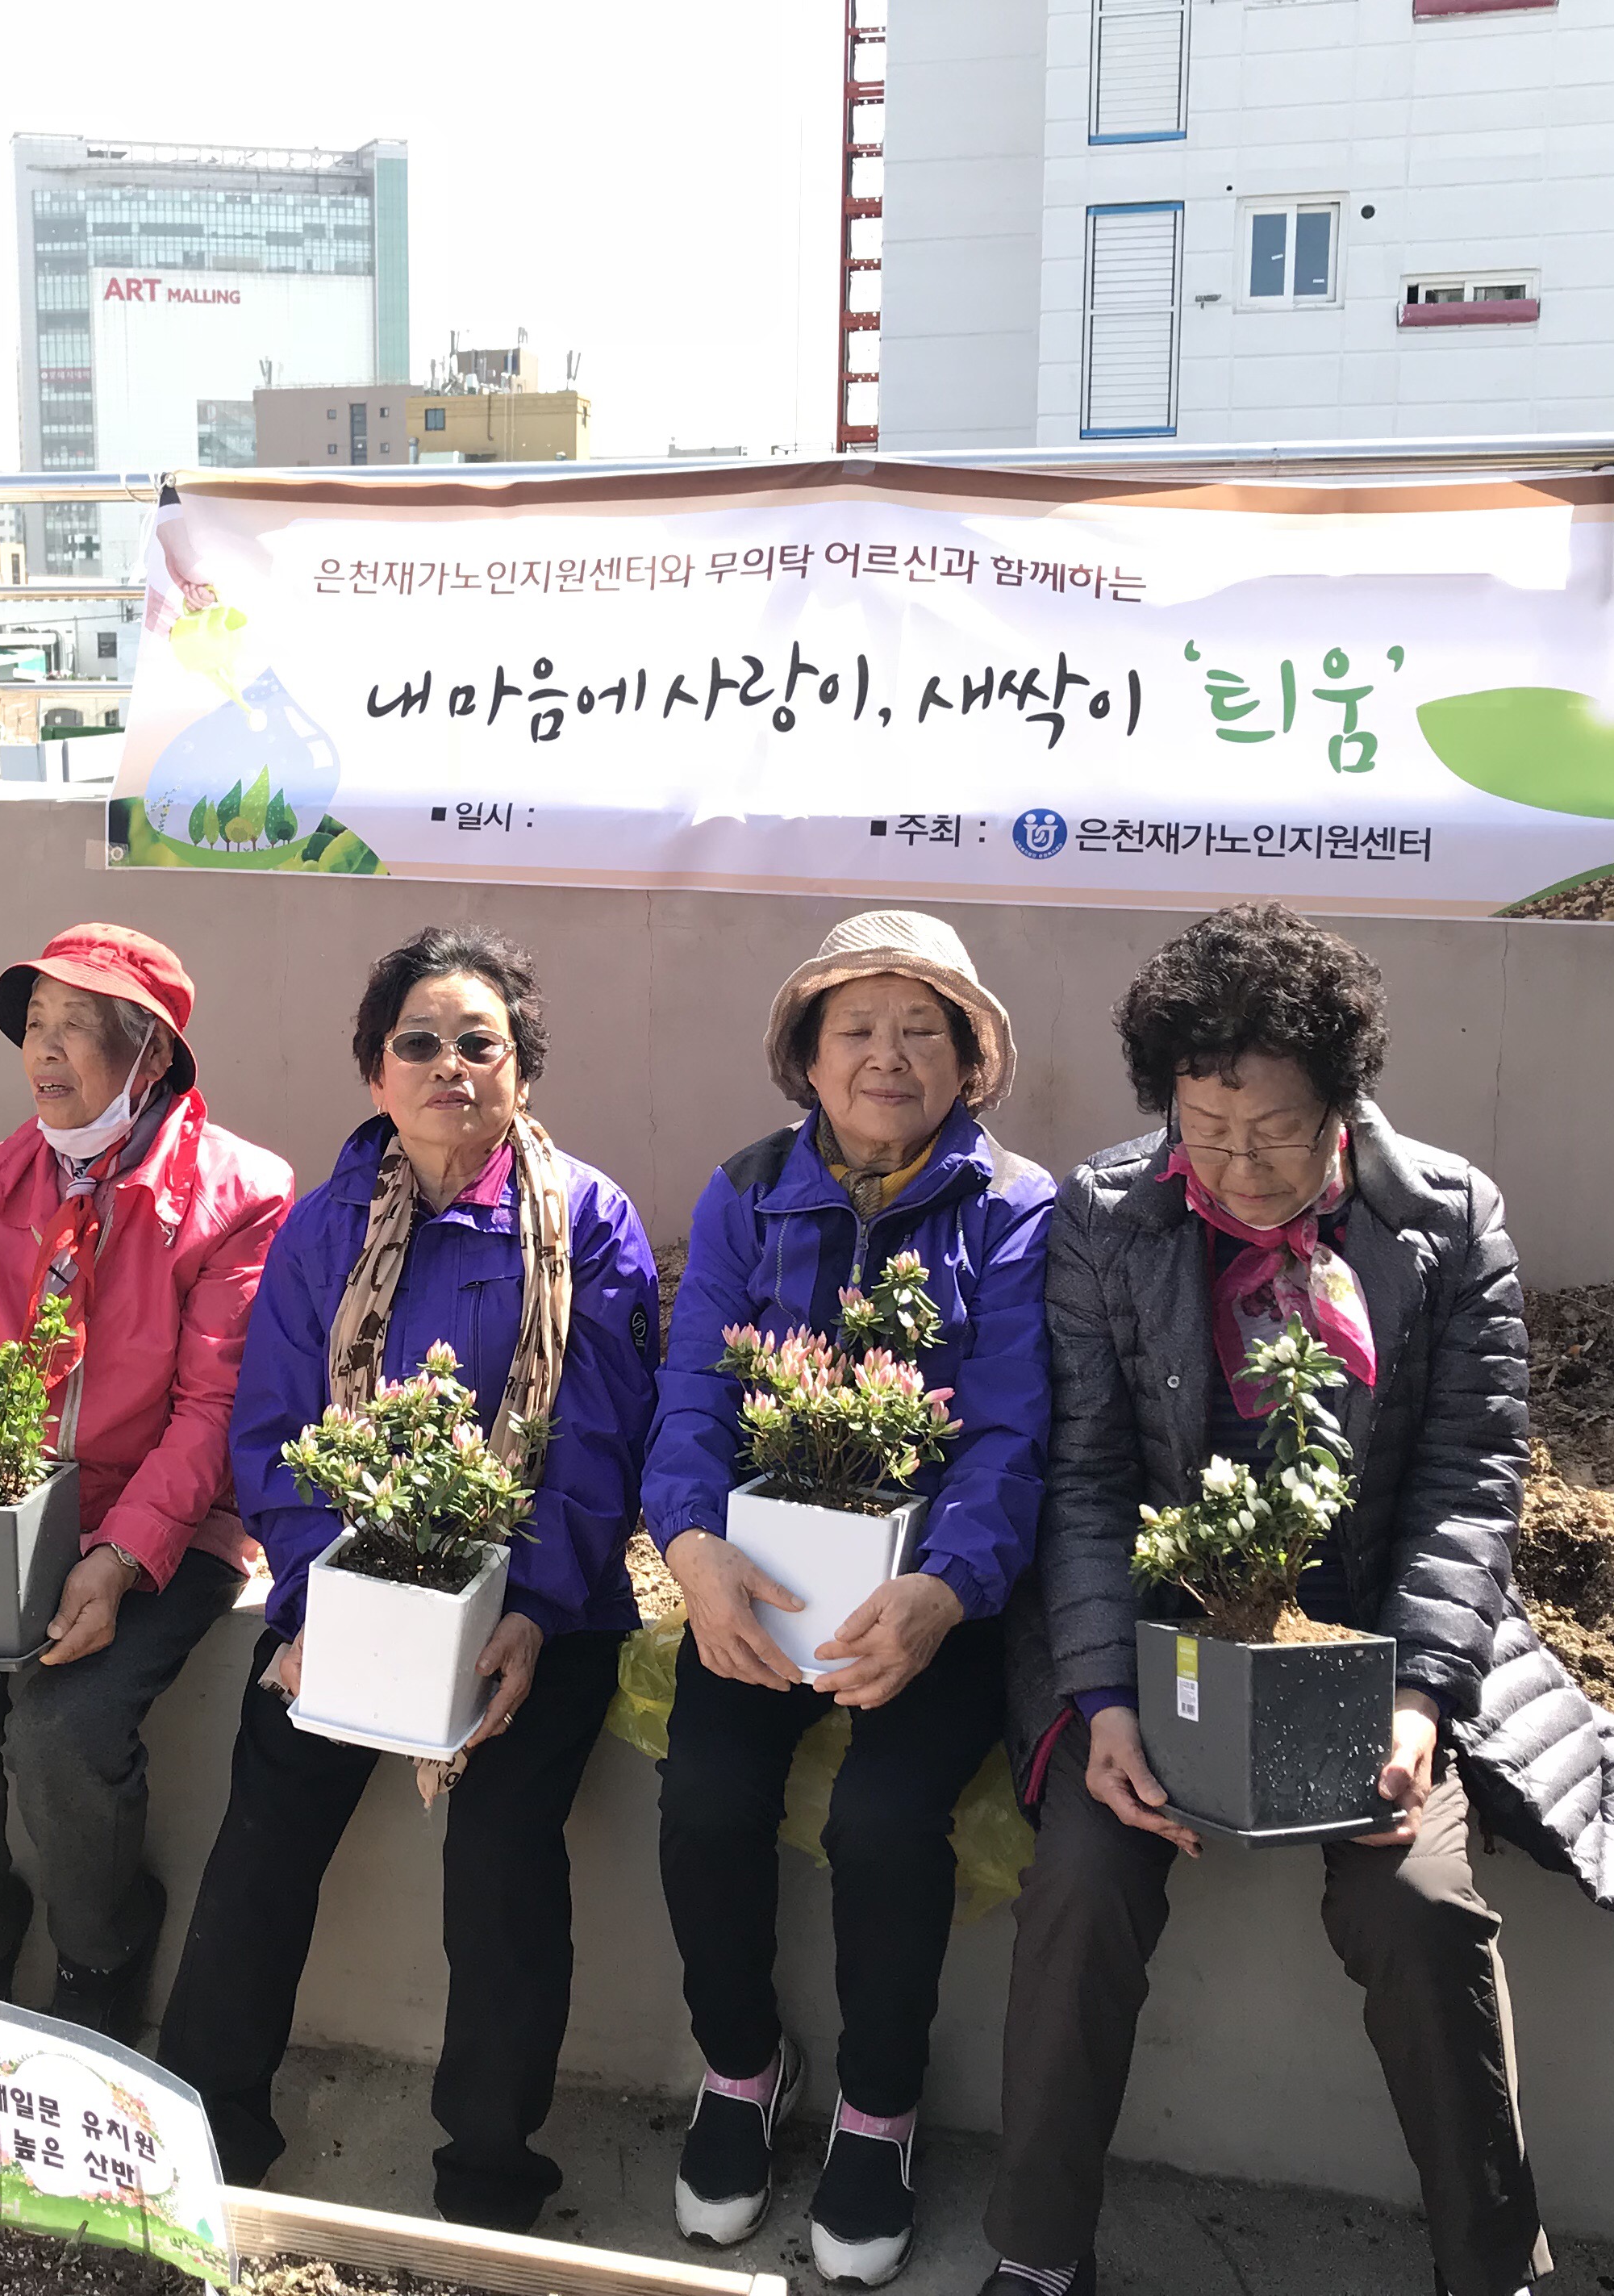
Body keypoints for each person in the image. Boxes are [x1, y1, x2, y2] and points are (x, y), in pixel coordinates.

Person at [979, 903, 1550, 2296]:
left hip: (1367, 1648)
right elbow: (1089, 1477)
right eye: (1204, 1130)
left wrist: (1417, 1700)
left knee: (1417, 1908)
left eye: (1276, 1132)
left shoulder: (1447, 1221)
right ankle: (1040, 2255)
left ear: (1342, 1106)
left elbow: (1468, 1481)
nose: (1237, 1168)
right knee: (1082, 1884)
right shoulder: (1109, 1216)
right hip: (1158, 1642)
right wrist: (1104, 1700)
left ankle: (1494, 2268)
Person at [158, 925, 660, 2233]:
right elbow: (275, 1436)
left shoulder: (587, 1221)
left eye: (480, 1044)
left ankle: (488, 2179)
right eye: (419, 1044)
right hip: (350, 1596)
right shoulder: (323, 1227)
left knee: (501, 1859)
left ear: (521, 1069)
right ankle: (207, 2134)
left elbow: (598, 1445)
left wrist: (530, 1612)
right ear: (376, 1072)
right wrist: (320, 1607)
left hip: (539, 1611)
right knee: (266, 1822)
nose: (451, 1067)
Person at [647, 909, 1055, 2290]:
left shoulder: (1017, 1209)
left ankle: (879, 2108)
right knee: (707, 1793)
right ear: (808, 1059)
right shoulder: (748, 1191)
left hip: (938, 1602)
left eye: (924, 1030)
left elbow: (1011, 1431)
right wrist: (692, 1549)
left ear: (970, 1061)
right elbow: (694, 1391)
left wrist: (946, 1587)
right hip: (764, 1576)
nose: (890, 1056)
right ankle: (741, 2067)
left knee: (885, 1819)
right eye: (858, 1030)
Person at [0, 923, 293, 2042]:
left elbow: (213, 1412)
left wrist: (115, 1559)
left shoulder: (241, 1194)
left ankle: (102, 1951)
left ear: (149, 1052)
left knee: (66, 1729)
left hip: (164, 1527)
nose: (46, 1052)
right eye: (35, 1026)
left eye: (78, 1027)